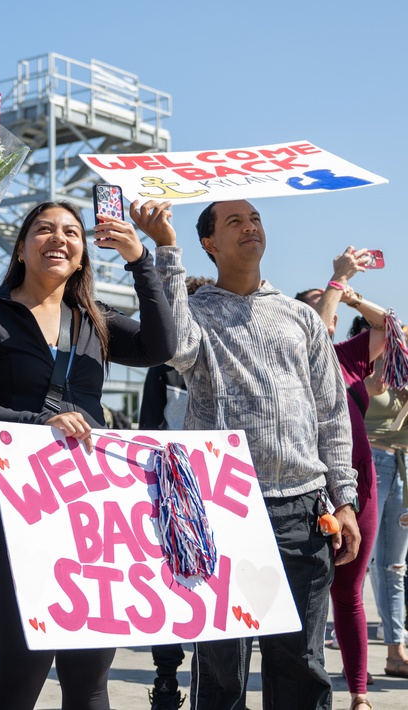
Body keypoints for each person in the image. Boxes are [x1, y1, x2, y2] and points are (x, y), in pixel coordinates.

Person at [130, 199, 361, 710]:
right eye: (233, 221)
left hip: (304, 510)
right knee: (221, 673)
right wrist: (167, 248)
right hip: (222, 509)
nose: (249, 226)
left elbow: (331, 416)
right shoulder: (198, 313)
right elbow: (174, 348)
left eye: (254, 218)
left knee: (302, 666)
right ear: (209, 243)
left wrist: (344, 500)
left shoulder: (300, 317)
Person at [0, 200, 176, 710]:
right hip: (20, 512)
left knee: (89, 681)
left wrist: (140, 260)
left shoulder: (95, 320)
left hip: (95, 516)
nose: (58, 239)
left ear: (82, 255)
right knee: (19, 678)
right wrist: (41, 425)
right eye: (44, 229)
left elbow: (160, 346)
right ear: (21, 246)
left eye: (72, 233)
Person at [295, 247, 388, 710]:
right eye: (316, 300)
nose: (326, 303)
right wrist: (333, 281)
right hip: (305, 488)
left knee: (348, 591)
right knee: (303, 592)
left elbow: (389, 328)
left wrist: (351, 295)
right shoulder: (290, 358)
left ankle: (358, 693)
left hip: (360, 485)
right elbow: (318, 327)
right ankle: (301, 687)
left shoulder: (348, 358)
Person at [139, 274, 213, 710]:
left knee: (211, 588)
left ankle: (211, 683)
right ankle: (166, 679)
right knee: (171, 582)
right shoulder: (164, 368)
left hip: (219, 491)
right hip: (175, 492)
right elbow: (150, 429)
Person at [363, 355, 408, 679]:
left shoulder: (404, 378)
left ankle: (396, 652)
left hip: (403, 468)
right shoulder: (365, 369)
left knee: (394, 568)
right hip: (371, 461)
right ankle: (350, 653)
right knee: (356, 564)